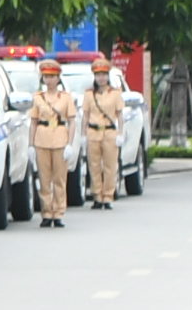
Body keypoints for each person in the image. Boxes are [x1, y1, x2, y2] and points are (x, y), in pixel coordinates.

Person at [27, 58, 79, 226]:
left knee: (59, 179)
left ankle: (58, 213)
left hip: (60, 138)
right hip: (42, 139)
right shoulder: (38, 98)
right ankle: (46, 212)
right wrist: (30, 145)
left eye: (52, 76)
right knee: (44, 179)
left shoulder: (65, 97)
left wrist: (70, 143)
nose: (49, 80)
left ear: (58, 78)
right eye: (46, 77)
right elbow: (33, 122)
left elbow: (72, 121)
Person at [85, 61, 127, 209]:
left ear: (108, 76)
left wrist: (120, 133)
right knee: (94, 166)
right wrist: (83, 135)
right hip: (93, 131)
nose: (101, 78)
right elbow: (86, 115)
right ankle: (97, 196)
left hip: (109, 132)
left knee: (110, 166)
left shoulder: (115, 93)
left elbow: (120, 115)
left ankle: (108, 196)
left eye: (103, 75)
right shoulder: (89, 94)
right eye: (98, 75)